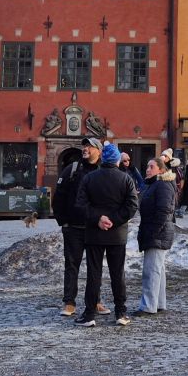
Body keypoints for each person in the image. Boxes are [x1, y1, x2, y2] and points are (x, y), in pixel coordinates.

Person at [72, 142, 139, 327]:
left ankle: (90, 314)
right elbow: (132, 206)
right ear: (117, 159)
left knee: (94, 273)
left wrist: (98, 219)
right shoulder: (126, 179)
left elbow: (80, 205)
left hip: (94, 233)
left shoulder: (90, 178)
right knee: (118, 274)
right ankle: (121, 312)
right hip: (117, 234)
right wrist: (114, 220)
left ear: (103, 158)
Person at [53, 139, 103, 318]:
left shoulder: (103, 171)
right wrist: (63, 222)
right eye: (84, 146)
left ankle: (95, 300)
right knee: (72, 265)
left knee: (94, 267)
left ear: (99, 150)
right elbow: (58, 196)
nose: (85, 149)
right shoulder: (72, 169)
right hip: (73, 227)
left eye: (89, 146)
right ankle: (69, 302)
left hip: (94, 227)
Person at [134, 156, 177, 317]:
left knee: (151, 271)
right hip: (157, 232)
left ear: (161, 169)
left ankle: (148, 306)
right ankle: (158, 303)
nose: (147, 169)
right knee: (158, 269)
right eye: (147, 166)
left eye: (151, 166)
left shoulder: (162, 186)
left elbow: (164, 211)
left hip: (157, 233)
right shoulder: (156, 184)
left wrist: (154, 231)